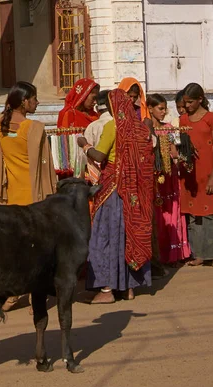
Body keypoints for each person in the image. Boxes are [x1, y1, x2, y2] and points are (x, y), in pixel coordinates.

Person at [78, 89, 154, 304]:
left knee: (106, 237)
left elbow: (100, 155)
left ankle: (107, 289)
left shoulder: (113, 126)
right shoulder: (139, 127)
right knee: (129, 235)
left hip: (113, 189)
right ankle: (129, 287)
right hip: (134, 193)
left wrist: (84, 144)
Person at [0, 81, 57, 312]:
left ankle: (12, 294)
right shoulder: (34, 127)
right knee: (35, 250)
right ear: (24, 102)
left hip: (9, 197)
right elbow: (45, 167)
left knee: (15, 249)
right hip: (33, 196)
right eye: (34, 98)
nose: (37, 102)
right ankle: (33, 295)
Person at [179, 83, 213, 271]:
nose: (187, 106)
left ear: (200, 99)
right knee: (193, 216)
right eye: (185, 102)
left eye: (190, 102)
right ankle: (198, 254)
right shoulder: (183, 120)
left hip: (207, 172)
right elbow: (184, 146)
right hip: (190, 175)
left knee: (209, 214)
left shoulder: (211, 119)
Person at [147, 94, 191, 272]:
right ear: (150, 108)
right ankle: (158, 256)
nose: (164, 112)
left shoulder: (168, 128)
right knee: (157, 216)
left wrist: (180, 156)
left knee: (171, 212)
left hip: (169, 177)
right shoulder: (145, 129)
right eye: (160, 109)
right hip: (153, 179)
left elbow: (173, 152)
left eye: (165, 108)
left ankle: (173, 255)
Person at [82, 90, 112, 184]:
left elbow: (88, 158)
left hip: (100, 176)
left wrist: (84, 144)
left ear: (97, 108)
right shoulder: (121, 124)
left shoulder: (93, 126)